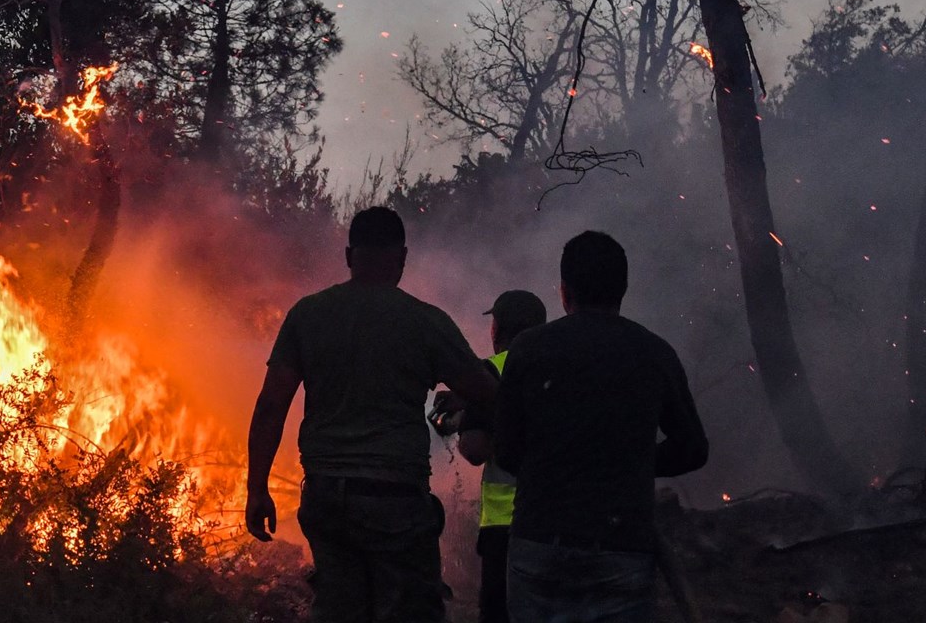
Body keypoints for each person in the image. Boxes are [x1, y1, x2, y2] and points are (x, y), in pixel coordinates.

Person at [245, 206, 498, 623]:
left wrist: (256, 489)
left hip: (325, 499)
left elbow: (271, 406)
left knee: (339, 610)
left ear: (349, 256)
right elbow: (486, 393)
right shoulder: (425, 322)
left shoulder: (307, 315)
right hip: (395, 500)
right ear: (402, 257)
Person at [495, 231, 708, 623]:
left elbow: (506, 450)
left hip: (541, 541)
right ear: (623, 289)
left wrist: (556, 459)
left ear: (564, 291)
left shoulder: (529, 349)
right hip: (620, 546)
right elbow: (693, 447)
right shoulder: (653, 352)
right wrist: (632, 458)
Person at [455, 290, 547, 623]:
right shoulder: (565, 367)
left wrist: (465, 423)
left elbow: (475, 447)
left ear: (497, 329)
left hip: (506, 528)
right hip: (561, 523)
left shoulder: (491, 371)